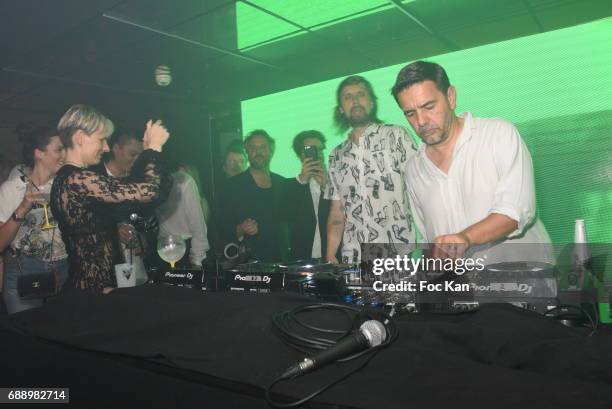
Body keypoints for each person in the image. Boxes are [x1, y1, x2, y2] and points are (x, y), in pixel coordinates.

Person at [391, 60, 552, 262]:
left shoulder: (499, 135)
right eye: (410, 113)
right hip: (463, 289)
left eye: (429, 106)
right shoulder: (413, 169)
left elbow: (514, 212)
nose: (421, 121)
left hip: (522, 282)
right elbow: (427, 240)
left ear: (450, 97)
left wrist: (466, 238)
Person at [50, 104, 171, 292]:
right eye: (101, 140)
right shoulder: (78, 180)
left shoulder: (70, 179)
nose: (106, 148)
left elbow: (132, 194)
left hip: (93, 288)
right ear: (81, 138)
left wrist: (147, 150)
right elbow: (148, 190)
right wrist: (153, 149)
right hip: (93, 293)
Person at [325, 76, 417, 264]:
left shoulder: (397, 135)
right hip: (353, 257)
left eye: (361, 94)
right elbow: (337, 212)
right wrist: (330, 253)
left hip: (397, 254)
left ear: (372, 102)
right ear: (341, 109)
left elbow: (422, 189)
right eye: (348, 97)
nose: (355, 100)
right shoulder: (336, 155)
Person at [0, 125, 68, 313]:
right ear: (39, 153)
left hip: (63, 270)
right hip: (25, 272)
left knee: (58, 335)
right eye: (58, 150)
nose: (64, 155)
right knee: (27, 336)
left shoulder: (65, 187)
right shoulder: (12, 188)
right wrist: (22, 209)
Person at [218, 130, 288, 262]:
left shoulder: (283, 184)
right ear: (247, 152)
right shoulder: (231, 186)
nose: (258, 151)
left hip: (282, 262)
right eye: (253, 148)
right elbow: (219, 228)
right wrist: (241, 229)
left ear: (271, 151)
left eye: (263, 147)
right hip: (248, 264)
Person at [280, 130, 335, 262]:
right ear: (301, 155)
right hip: (301, 256)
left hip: (332, 254)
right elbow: (285, 216)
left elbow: (342, 217)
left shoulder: (337, 182)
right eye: (312, 151)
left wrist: (326, 187)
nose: (318, 155)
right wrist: (302, 181)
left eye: (320, 150)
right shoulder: (288, 185)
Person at [156, 167, 210, 267]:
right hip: (159, 250)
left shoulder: (183, 181)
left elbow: (197, 223)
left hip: (183, 249)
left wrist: (197, 259)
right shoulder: (148, 181)